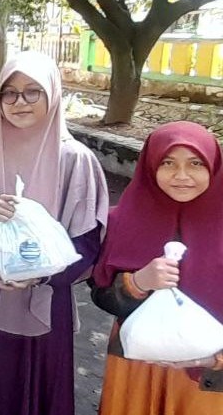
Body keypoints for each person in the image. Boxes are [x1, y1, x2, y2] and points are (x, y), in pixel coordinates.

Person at [0, 51, 109, 415]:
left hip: (43, 303)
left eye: (32, 91)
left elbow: (87, 242)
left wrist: (38, 275)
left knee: (32, 393)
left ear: (52, 93)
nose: (19, 101)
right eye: (9, 92)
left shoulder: (74, 159)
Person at [91, 121, 223, 414]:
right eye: (167, 162)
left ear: (213, 166)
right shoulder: (122, 221)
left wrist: (216, 359)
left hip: (206, 378)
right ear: (150, 165)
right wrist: (137, 283)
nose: (181, 176)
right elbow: (101, 294)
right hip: (137, 366)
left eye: (195, 163)